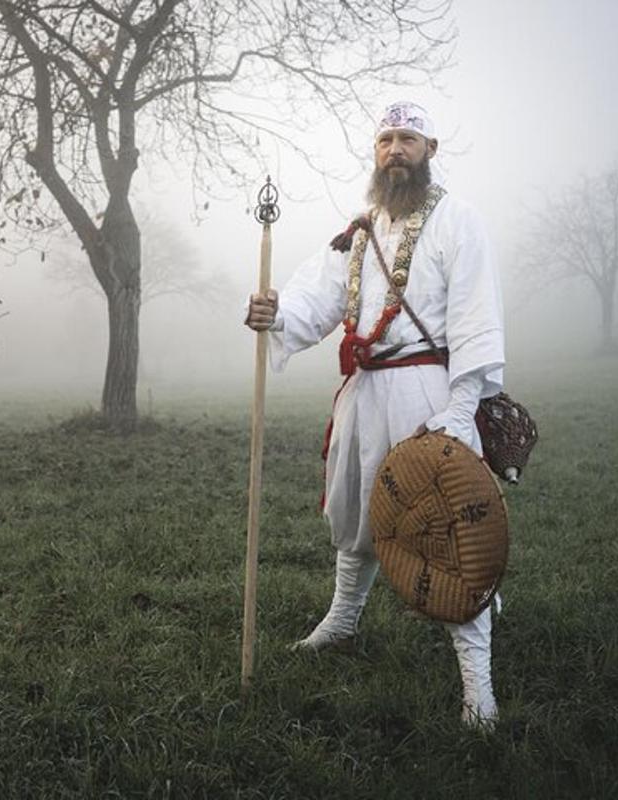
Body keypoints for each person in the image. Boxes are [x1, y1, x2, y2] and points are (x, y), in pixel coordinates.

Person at [244, 101, 506, 728]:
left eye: (407, 139)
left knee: (447, 537)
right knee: (357, 508)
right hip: (364, 392)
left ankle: (478, 687)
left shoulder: (457, 221)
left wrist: (461, 409)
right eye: (386, 139)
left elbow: (475, 316)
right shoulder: (359, 231)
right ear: (375, 151)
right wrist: (276, 312)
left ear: (430, 149)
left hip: (430, 397)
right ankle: (342, 621)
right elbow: (319, 295)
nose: (395, 149)